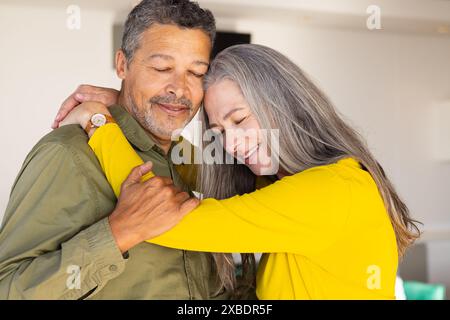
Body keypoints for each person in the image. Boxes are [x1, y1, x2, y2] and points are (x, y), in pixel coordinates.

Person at [56, 44, 421, 299]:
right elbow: (198, 165)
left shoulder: (330, 191)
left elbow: (164, 218)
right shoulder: (306, 180)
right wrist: (133, 106)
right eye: (218, 132)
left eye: (240, 120)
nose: (231, 145)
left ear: (283, 104)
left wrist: (99, 123)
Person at [0, 0, 229, 299]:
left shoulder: (194, 163)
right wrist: (118, 233)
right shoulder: (68, 153)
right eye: (162, 68)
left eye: (197, 73)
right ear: (122, 65)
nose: (180, 88)